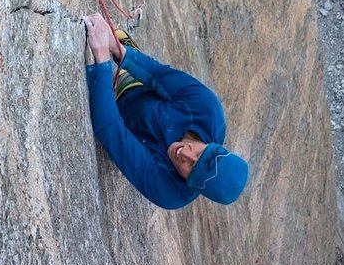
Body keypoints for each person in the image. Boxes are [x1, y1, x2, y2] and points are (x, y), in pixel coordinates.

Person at [84, 13, 249, 210]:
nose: (184, 154)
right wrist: (113, 46)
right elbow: (157, 74)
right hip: (138, 91)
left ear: (192, 186)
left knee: (92, 73)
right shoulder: (208, 109)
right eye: (199, 153)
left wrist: (102, 61)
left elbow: (110, 129)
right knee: (118, 36)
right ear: (211, 144)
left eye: (191, 168)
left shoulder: (171, 193)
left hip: (124, 129)